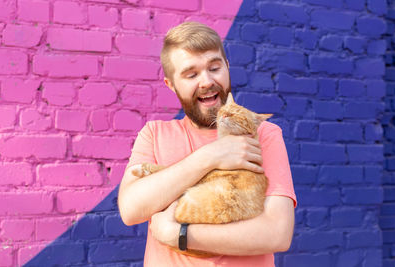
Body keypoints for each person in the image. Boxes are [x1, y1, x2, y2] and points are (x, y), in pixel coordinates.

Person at [118, 21, 297, 267]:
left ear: (227, 67)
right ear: (171, 85)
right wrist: (210, 156)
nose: (206, 81)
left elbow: (277, 233)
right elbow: (131, 209)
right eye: (191, 74)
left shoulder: (263, 134)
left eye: (214, 67)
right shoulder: (154, 134)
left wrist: (179, 235)